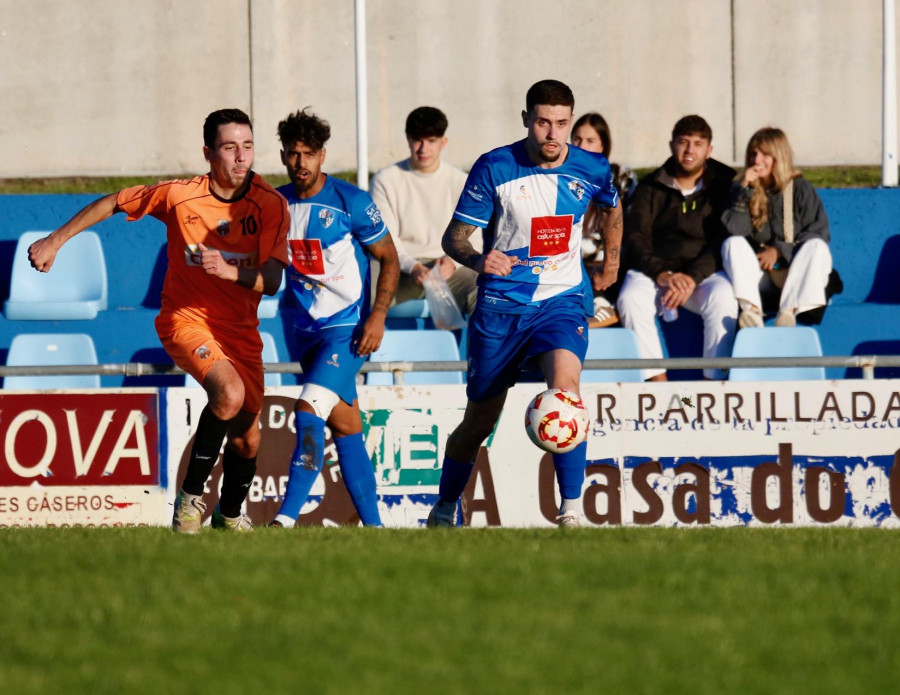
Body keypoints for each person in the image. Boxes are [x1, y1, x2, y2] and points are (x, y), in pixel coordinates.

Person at [28, 108, 290, 533]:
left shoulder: (271, 203)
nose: (241, 158)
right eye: (229, 148)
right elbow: (115, 200)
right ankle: (189, 502)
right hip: (186, 320)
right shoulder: (178, 195)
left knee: (247, 436)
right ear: (208, 154)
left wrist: (230, 272)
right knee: (228, 393)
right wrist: (55, 241)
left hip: (241, 332)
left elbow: (274, 280)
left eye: (247, 146)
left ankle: (230, 515)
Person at [426, 80, 622, 528]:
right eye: (542, 122)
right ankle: (443, 508)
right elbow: (452, 238)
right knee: (478, 423)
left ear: (570, 121)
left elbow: (612, 207)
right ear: (526, 120)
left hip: (562, 299)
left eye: (561, 123)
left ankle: (571, 512)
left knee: (566, 392)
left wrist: (611, 262)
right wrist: (477, 257)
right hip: (502, 307)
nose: (552, 133)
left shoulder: (591, 167)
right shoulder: (495, 166)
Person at [270, 108, 399, 528]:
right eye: (292, 154)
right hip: (304, 330)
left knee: (308, 411)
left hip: (347, 329)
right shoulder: (277, 204)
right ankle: (376, 530)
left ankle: (284, 520)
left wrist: (378, 316)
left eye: (308, 154)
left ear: (323, 156)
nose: (300, 163)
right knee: (346, 426)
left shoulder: (351, 202)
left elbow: (389, 258)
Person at [616, 115, 737, 381]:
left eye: (697, 143)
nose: (690, 150)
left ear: (709, 149)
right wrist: (662, 274)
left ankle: (713, 388)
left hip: (702, 276)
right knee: (630, 298)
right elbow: (636, 237)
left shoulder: (725, 185)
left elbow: (724, 240)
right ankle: (657, 386)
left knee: (724, 298)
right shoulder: (651, 186)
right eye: (683, 142)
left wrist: (692, 277)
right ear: (672, 145)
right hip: (656, 273)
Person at [721, 127, 834, 327]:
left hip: (794, 273)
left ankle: (788, 312)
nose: (757, 160)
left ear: (778, 157)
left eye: (765, 154)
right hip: (760, 276)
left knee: (817, 247)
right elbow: (734, 230)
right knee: (732, 243)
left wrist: (779, 251)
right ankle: (752, 312)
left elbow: (819, 231)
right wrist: (743, 190)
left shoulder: (800, 188)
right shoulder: (741, 190)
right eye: (753, 153)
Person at [370, 106, 477, 317]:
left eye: (431, 140)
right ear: (408, 139)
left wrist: (453, 263)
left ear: (443, 142)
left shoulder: (461, 182)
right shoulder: (385, 180)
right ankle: (357, 349)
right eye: (417, 140)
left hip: (449, 269)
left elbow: (476, 238)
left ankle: (477, 352)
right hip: (398, 269)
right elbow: (385, 241)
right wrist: (412, 267)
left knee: (486, 297)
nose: (423, 148)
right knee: (360, 293)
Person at [570, 111, 636, 328]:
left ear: (603, 146)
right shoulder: (562, 176)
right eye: (577, 139)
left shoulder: (619, 176)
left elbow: (625, 224)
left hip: (606, 258)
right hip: (572, 260)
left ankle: (601, 304)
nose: (582, 145)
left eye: (590, 140)